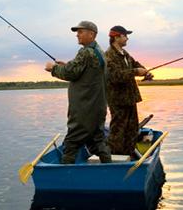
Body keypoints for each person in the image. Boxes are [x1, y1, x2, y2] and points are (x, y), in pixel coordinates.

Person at [45, 21, 112, 164]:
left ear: (92, 34)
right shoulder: (99, 51)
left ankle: (64, 176)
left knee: (71, 142)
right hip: (98, 106)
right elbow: (83, 70)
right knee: (98, 141)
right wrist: (67, 65)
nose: (77, 35)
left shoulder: (86, 51)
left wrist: (53, 68)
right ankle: (109, 167)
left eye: (81, 32)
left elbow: (70, 74)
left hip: (84, 108)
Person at [105, 25, 153, 158]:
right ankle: (114, 158)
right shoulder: (109, 55)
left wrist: (145, 72)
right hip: (118, 100)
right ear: (116, 37)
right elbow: (115, 76)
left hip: (130, 98)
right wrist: (136, 72)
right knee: (118, 131)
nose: (127, 38)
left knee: (132, 130)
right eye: (125, 35)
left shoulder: (124, 54)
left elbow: (135, 64)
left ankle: (128, 155)